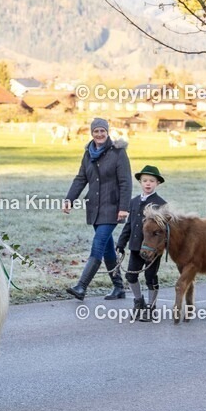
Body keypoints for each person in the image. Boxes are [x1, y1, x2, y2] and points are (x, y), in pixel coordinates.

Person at [63, 118, 131, 300]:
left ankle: (81, 286)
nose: (99, 134)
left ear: (107, 132)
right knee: (108, 249)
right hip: (94, 208)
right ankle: (119, 288)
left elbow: (126, 182)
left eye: (102, 131)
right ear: (91, 133)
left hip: (113, 208)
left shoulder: (118, 152)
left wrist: (124, 208)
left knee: (98, 244)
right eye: (96, 131)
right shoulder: (88, 154)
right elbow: (81, 178)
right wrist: (70, 199)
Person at [116, 165, 166, 320]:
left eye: (152, 180)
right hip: (136, 246)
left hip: (152, 249)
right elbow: (129, 224)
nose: (148, 183)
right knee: (131, 275)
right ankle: (139, 302)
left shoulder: (161, 203)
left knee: (151, 277)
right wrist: (121, 243)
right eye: (145, 180)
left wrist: (161, 247)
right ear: (140, 182)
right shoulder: (133, 201)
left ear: (157, 183)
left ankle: (152, 307)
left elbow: (164, 230)